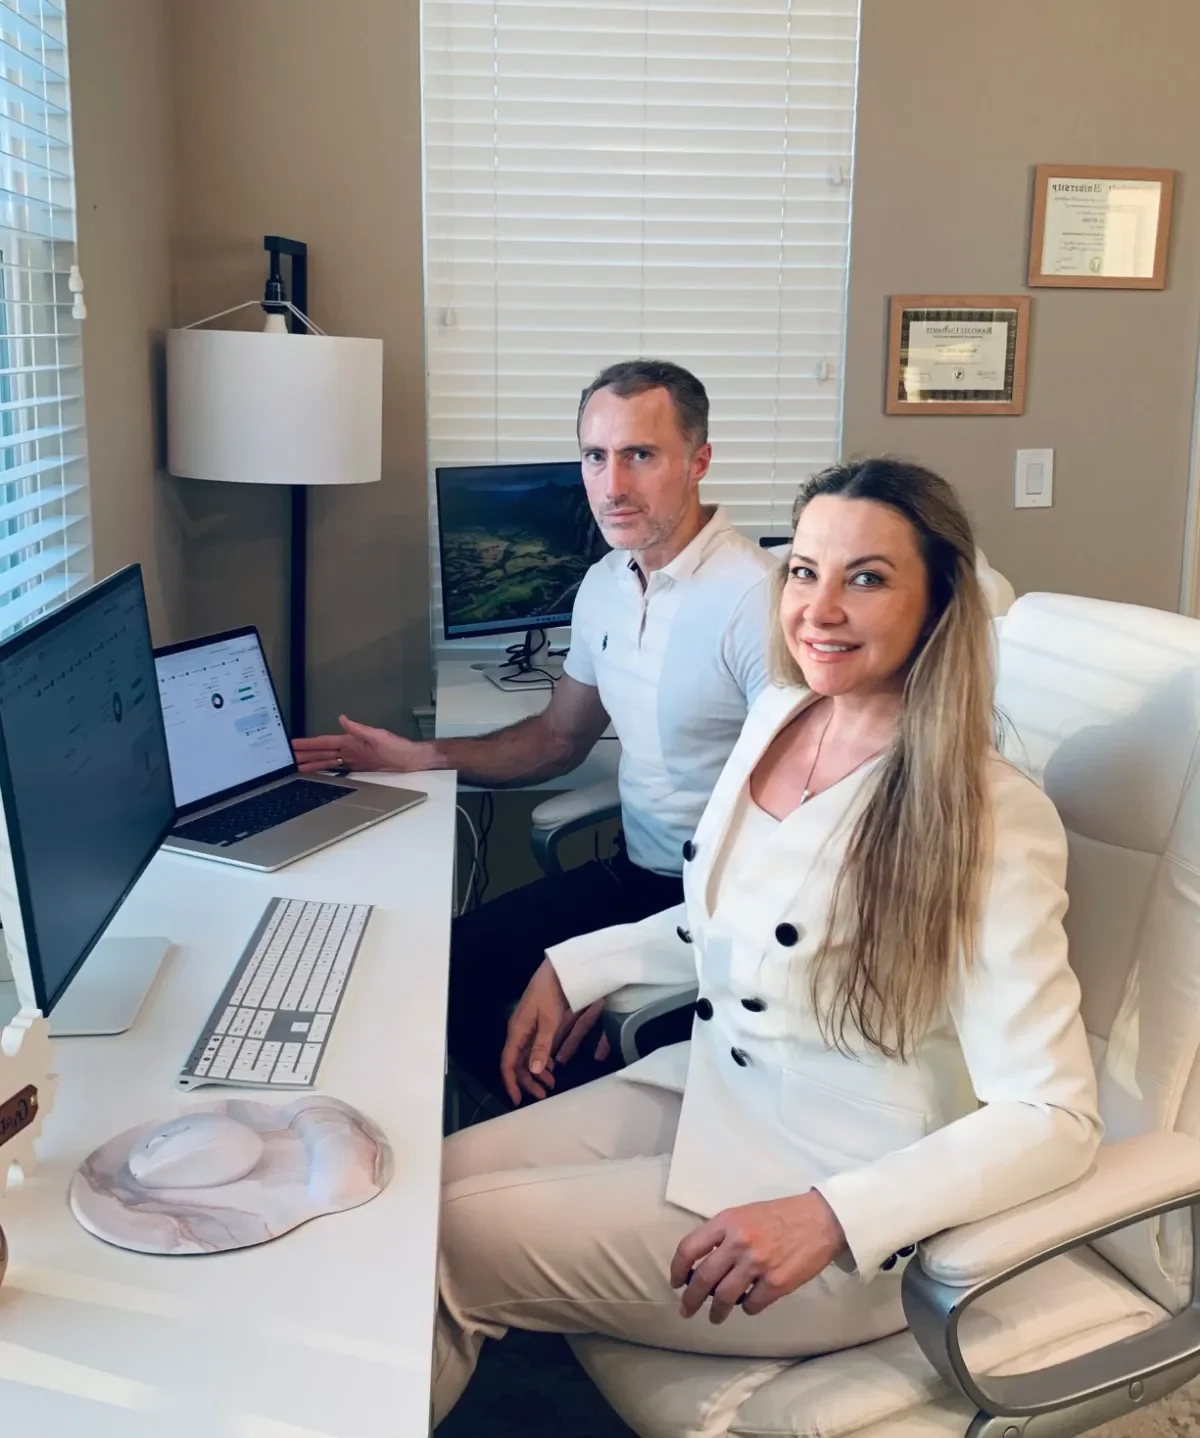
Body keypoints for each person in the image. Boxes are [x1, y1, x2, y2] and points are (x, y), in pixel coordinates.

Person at [431, 457, 1102, 1422]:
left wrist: (834, 1218)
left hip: (834, 1205)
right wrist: (578, 963)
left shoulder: (987, 814)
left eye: (866, 578)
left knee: (447, 1242)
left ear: (938, 601)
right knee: (414, 1189)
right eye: (804, 571)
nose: (819, 608)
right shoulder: (786, 716)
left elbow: (1054, 1115)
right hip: (712, 1091)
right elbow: (725, 921)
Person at [293, 359, 778, 1100]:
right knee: (439, 971)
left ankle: (544, 1159)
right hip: (634, 876)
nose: (612, 486)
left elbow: (801, 843)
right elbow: (557, 739)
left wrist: (628, 961)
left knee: (541, 1038)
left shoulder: (759, 605)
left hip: (717, 912)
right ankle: (498, 1140)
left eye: (640, 456)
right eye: (594, 457)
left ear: (698, 460)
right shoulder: (607, 585)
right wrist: (417, 756)